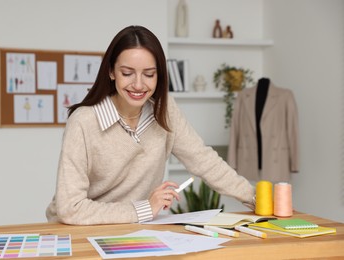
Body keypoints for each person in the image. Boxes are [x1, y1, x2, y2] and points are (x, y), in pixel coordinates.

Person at [46, 25, 255, 225]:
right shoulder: (83, 122)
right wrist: (145, 208)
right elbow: (70, 207)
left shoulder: (165, 110)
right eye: (127, 73)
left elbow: (204, 160)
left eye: (149, 74)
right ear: (111, 72)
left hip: (133, 229)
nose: (138, 84)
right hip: (77, 230)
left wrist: (255, 198)